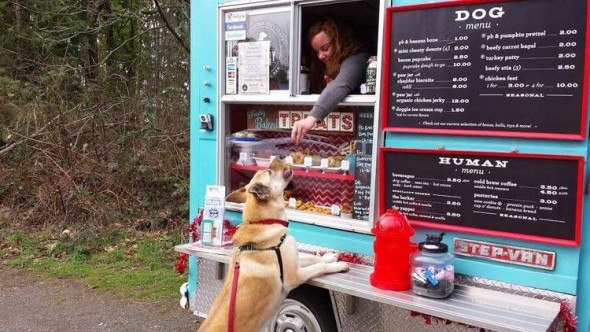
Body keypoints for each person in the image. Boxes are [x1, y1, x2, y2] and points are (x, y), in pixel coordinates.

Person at [291, 17, 370, 144]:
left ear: (340, 42)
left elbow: (341, 84)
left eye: (325, 48)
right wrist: (331, 90)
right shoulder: (326, 64)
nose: (320, 56)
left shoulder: (358, 58)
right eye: (317, 51)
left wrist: (310, 119)